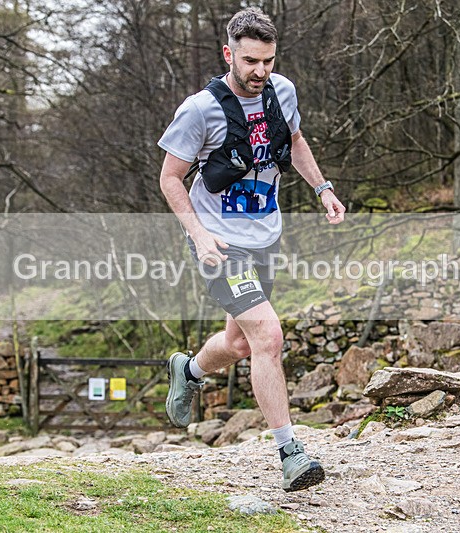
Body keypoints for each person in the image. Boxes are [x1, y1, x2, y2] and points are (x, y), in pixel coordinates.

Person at [158, 7, 345, 492]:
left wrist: (322, 188)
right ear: (229, 54)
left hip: (265, 237)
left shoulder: (282, 92)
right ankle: (291, 453)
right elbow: (170, 178)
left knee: (240, 343)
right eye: (250, 61)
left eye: (268, 61)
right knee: (267, 336)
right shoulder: (200, 109)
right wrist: (199, 235)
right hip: (221, 244)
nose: (260, 71)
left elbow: (295, 141)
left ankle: (189, 370)